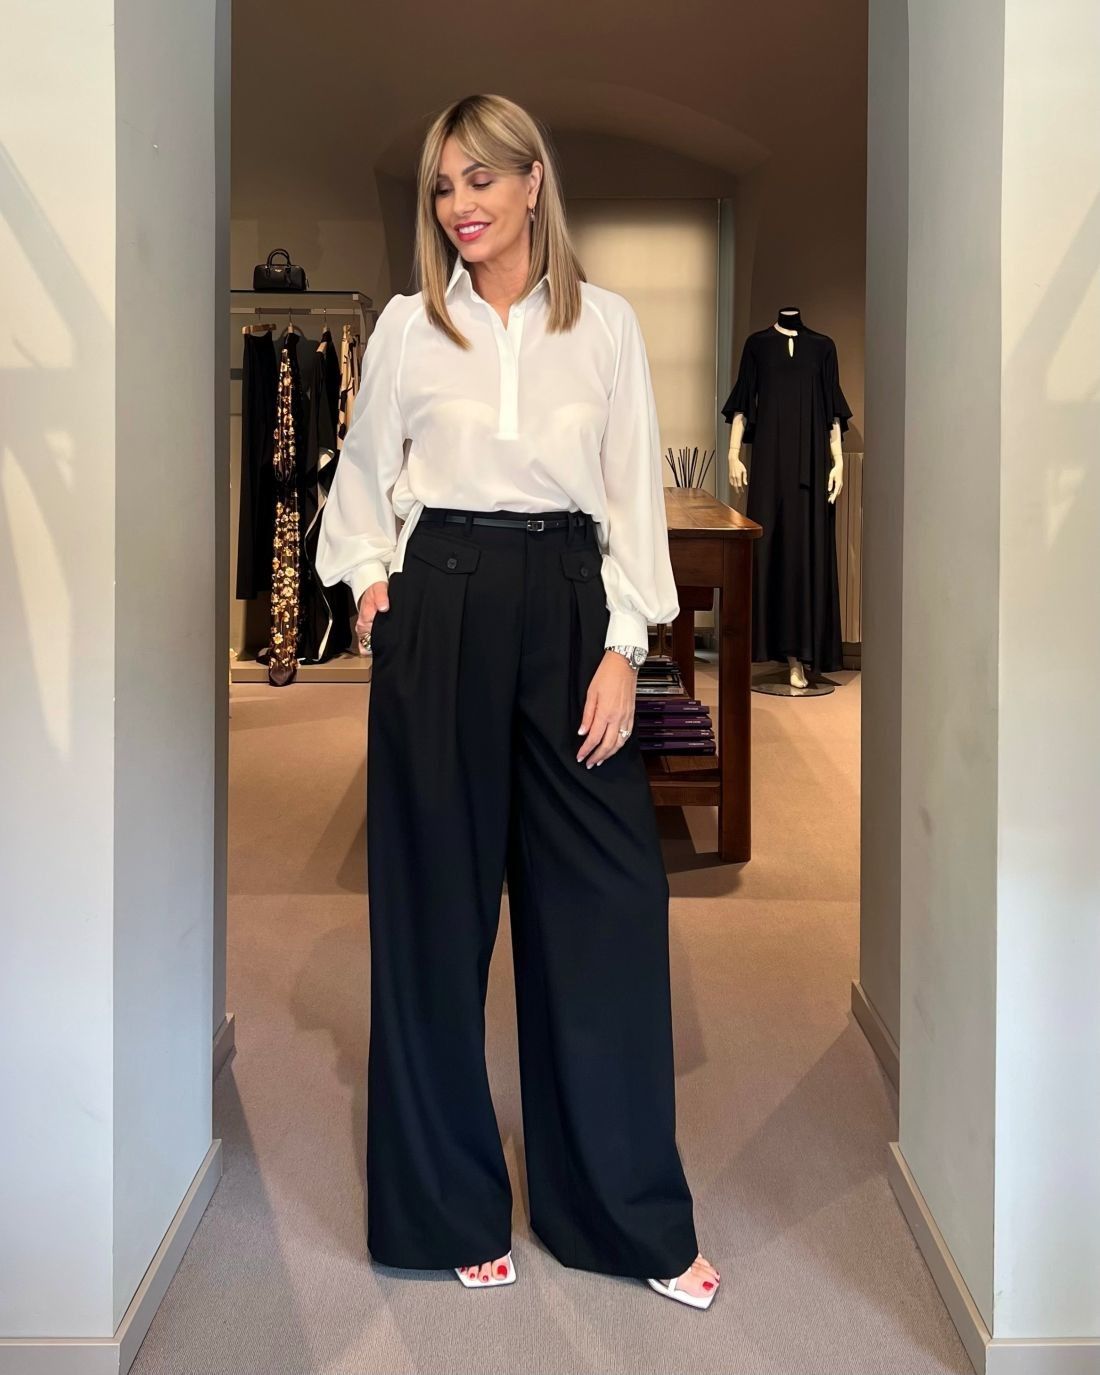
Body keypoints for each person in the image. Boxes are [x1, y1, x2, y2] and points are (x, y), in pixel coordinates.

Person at [315, 92, 721, 1310]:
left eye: (482, 178)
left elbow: (629, 494)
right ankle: (443, 1207)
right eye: (443, 186)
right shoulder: (407, 325)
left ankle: (618, 1215)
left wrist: (622, 644)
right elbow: (360, 479)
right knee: (434, 914)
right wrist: (374, 588)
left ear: (534, 180)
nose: (461, 205)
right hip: (439, 603)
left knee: (608, 903)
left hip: (566, 605)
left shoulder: (604, 325)